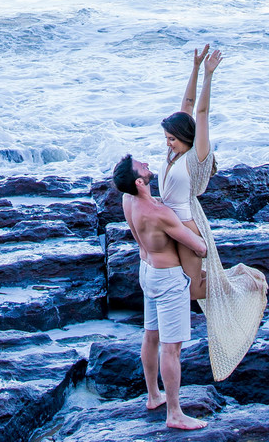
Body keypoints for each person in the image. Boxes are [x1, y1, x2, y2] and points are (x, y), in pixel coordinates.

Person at [158, 45, 268, 381]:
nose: (167, 143)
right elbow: (188, 107)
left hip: (189, 227)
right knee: (185, 284)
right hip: (173, 224)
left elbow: (201, 113)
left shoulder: (196, 157)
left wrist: (209, 75)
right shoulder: (177, 149)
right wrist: (193, 67)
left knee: (192, 290)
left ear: (187, 140)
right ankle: (227, 279)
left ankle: (245, 282)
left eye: (172, 139)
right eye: (166, 137)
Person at [114, 154, 209, 431]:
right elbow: (200, 247)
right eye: (141, 167)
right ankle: (175, 413)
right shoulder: (159, 214)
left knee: (151, 335)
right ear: (140, 181)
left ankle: (154, 395)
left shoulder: (128, 200)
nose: (146, 163)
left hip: (147, 271)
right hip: (167, 279)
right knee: (172, 348)